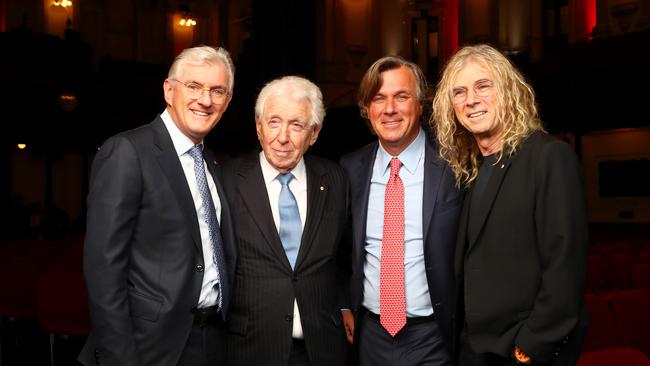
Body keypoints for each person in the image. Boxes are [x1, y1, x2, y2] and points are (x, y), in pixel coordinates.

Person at [79, 45, 237, 366]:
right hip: (148, 347)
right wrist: (120, 359)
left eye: (217, 91)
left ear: (228, 100)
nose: (205, 100)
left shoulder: (211, 163)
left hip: (211, 341)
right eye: (193, 86)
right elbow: (103, 270)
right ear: (169, 90)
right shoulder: (127, 152)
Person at [432, 44, 588, 365]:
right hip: (471, 349)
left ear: (508, 90)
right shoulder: (468, 170)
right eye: (459, 92)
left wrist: (530, 347)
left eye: (483, 86)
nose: (471, 100)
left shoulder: (548, 157)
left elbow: (565, 265)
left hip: (522, 351)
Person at [221, 76, 352, 366]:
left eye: (296, 125)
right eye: (274, 122)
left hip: (321, 348)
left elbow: (345, 256)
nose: (283, 137)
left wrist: (344, 304)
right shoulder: (227, 180)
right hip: (250, 347)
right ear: (259, 127)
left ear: (314, 133)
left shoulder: (336, 179)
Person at [340, 56, 462, 366]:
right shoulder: (350, 169)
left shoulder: (456, 165)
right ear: (367, 109)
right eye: (378, 98)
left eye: (401, 96)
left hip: (436, 334)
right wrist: (343, 305)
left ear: (421, 104)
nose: (390, 108)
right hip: (370, 336)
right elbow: (338, 249)